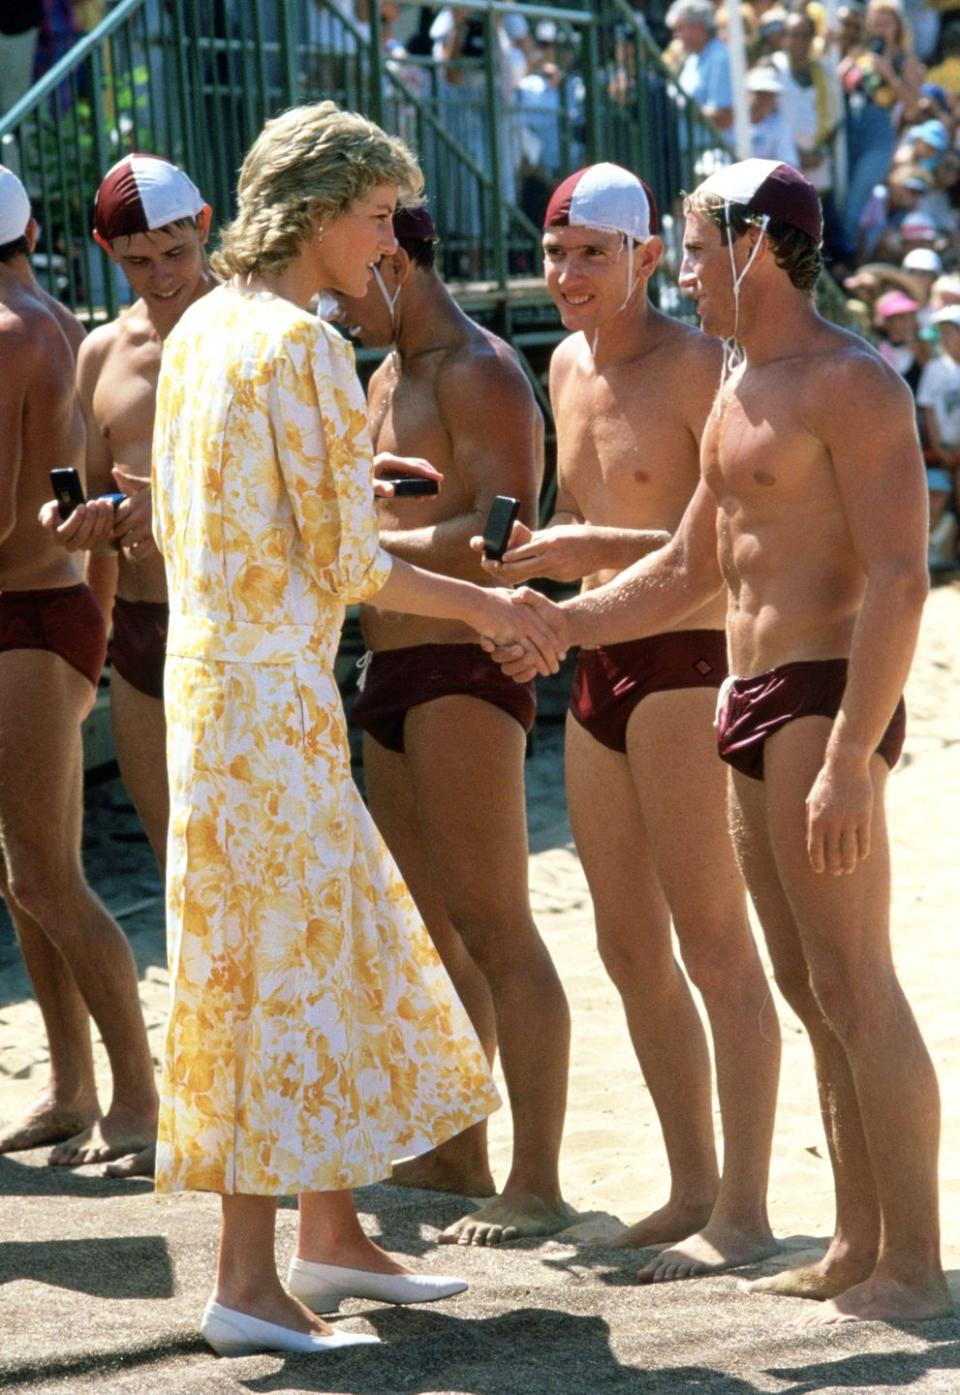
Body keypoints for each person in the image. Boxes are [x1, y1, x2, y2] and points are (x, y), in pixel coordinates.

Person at [495, 157, 951, 1324]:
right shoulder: (747, 377)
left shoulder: (852, 384)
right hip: (746, 697)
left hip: (819, 693)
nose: (681, 268)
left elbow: (903, 578)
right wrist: (564, 622)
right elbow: (691, 568)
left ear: (753, 248)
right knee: (808, 986)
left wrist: (853, 754)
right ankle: (859, 1241)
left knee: (858, 980)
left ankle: (917, 1263)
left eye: (694, 247)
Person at [150, 100, 566, 1356]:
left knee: (308, 952)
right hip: (268, 700)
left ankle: (327, 1239)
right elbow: (349, 570)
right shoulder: (303, 347)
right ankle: (246, 1281)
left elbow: (214, 523)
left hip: (211, 684)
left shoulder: (205, 330)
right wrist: (502, 607)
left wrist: (344, 489)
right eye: (379, 216)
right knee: (279, 970)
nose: (391, 243)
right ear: (322, 209)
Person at [478, 162, 780, 1282]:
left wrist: (579, 570)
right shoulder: (561, 363)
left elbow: (718, 556)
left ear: (648, 256)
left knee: (713, 941)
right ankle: (692, 1184)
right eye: (555, 256)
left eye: (591, 256)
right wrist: (532, 580)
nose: (566, 277)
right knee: (623, 942)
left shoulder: (706, 365)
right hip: (599, 663)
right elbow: (591, 516)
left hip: (690, 660)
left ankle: (743, 1211)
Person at [331, 203, 574, 1246]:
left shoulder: (480, 370)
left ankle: (538, 1178)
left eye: (349, 280)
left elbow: (506, 535)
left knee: (496, 924)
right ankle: (459, 1146)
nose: (337, 302)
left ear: (392, 260)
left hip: (463, 664)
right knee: (426, 938)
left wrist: (361, 540)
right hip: (388, 660)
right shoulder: (382, 376)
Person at [36, 154, 219, 1178]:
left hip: (235, 647)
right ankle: (175, 1104)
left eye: (178, 251)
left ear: (207, 227)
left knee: (250, 883)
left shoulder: (249, 334)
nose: (162, 275)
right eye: (140, 259)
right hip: (146, 643)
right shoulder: (101, 351)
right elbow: (81, 508)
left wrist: (169, 511)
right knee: (181, 879)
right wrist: (89, 525)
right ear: (106, 252)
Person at [0, 163, 158, 1168]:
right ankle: (72, 1088)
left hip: (27, 613)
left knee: (49, 878)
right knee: (29, 877)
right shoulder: (46, 313)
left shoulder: (14, 331)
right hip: (48, 610)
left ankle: (137, 1099)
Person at [665, 0, 734, 134]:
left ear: (698, 27)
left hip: (715, 152)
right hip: (691, 151)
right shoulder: (693, 58)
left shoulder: (720, 58)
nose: (676, 36)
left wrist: (681, 108)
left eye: (680, 29)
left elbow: (725, 118)